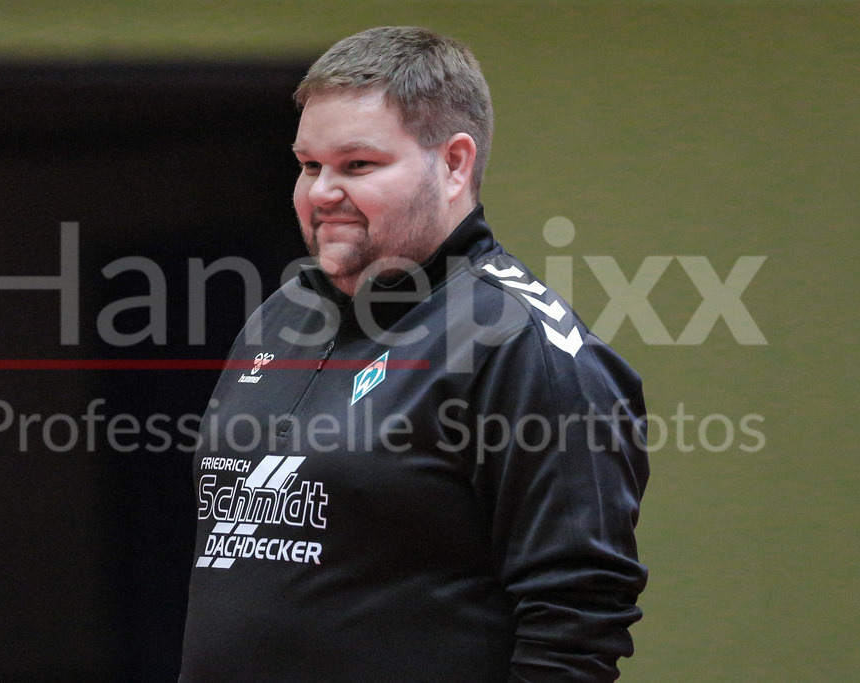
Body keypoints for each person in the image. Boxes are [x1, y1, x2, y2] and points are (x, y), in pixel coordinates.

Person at [180, 26, 648, 682]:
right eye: (309, 165)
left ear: (454, 163)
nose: (320, 192)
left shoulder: (519, 342)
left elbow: (574, 623)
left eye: (357, 165)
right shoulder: (279, 317)